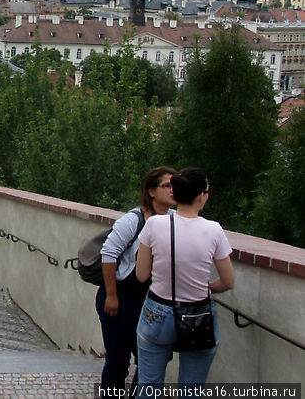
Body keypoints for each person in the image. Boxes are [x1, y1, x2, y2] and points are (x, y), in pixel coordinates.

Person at [135, 167, 235, 389]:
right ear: (201, 195)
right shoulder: (214, 230)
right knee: (191, 389)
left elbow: (141, 274)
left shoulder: (154, 224)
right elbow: (228, 281)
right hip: (198, 313)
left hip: (157, 311)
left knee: (148, 385)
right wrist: (206, 287)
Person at [96, 167, 176, 392]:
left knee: (151, 363)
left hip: (154, 302)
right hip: (122, 299)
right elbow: (109, 254)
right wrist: (111, 296)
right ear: (151, 191)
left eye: (176, 185)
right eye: (167, 185)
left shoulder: (175, 220)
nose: (173, 190)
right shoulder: (133, 220)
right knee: (118, 361)